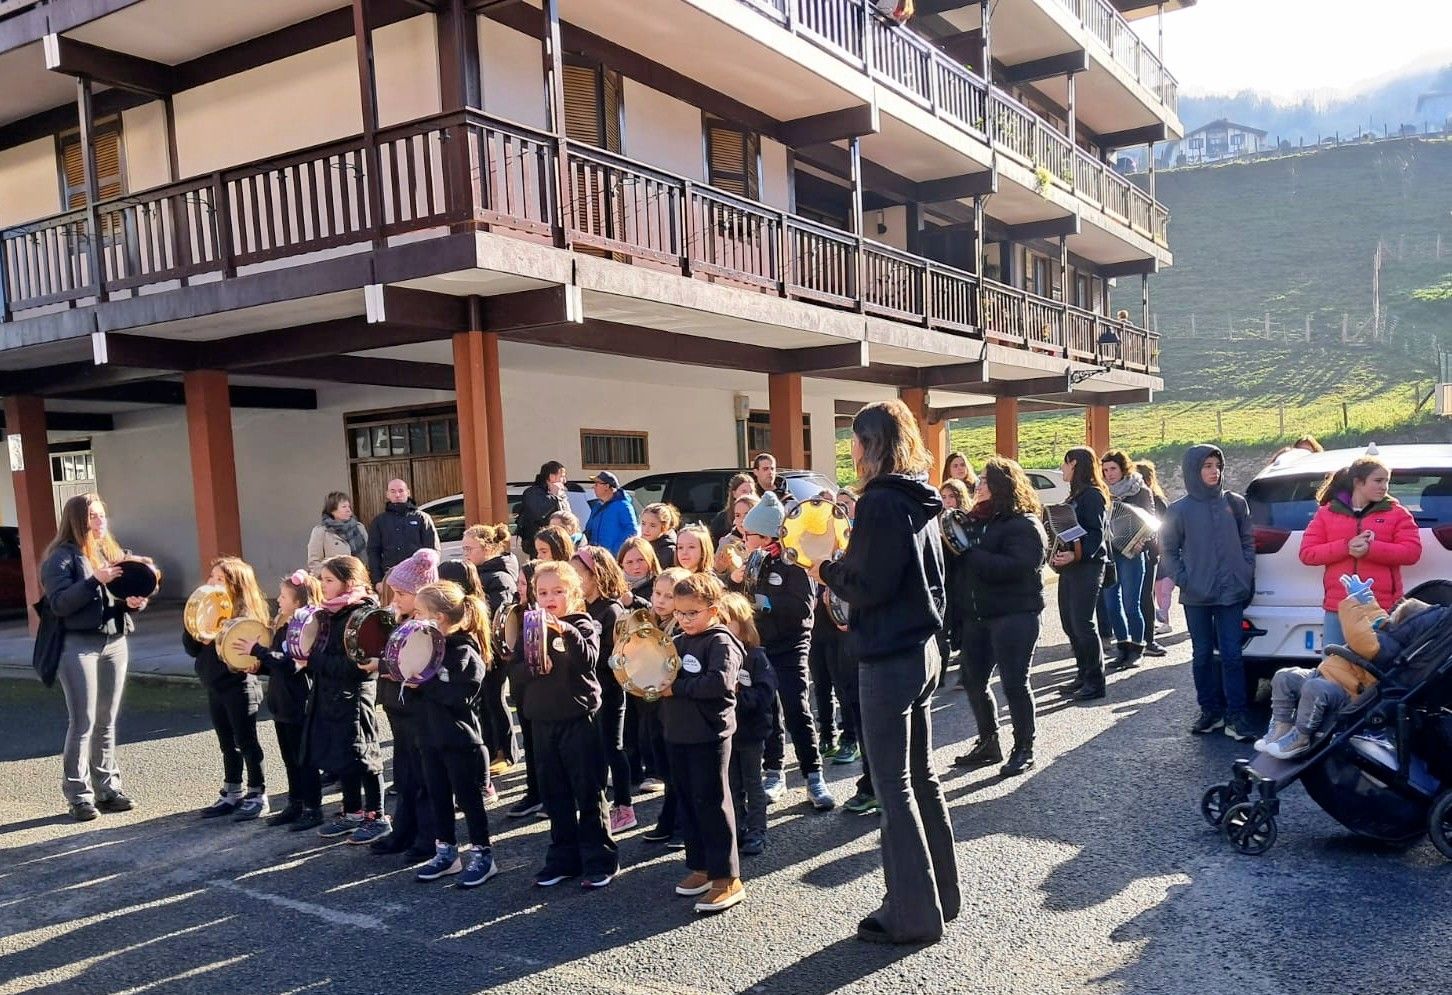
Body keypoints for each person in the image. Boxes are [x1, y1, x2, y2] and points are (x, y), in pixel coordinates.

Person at [816, 399, 960, 945]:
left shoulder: (879, 502)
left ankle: (912, 914)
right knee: (921, 778)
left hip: (887, 656)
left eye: (854, 439)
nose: (850, 448)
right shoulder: (919, 497)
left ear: (869, 443)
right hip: (921, 650)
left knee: (893, 786)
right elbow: (927, 580)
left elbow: (867, 584)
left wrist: (824, 567)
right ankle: (939, 896)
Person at [508, 561, 617, 889]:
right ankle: (563, 858)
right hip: (543, 719)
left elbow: (588, 661)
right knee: (555, 792)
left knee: (588, 789)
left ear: (573, 594)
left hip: (578, 717)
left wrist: (564, 631)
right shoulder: (530, 626)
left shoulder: (583, 623)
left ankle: (599, 858)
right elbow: (515, 673)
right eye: (542, 592)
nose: (549, 597)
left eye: (558, 591)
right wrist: (532, 669)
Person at [41, 493, 149, 821]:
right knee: (83, 721)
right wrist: (94, 580)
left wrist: (134, 601)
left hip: (115, 641)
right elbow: (59, 604)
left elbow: (129, 589)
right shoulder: (60, 558)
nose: (101, 522)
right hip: (78, 645)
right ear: (78, 521)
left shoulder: (110, 551)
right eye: (94, 517)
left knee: (106, 720)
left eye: (103, 515)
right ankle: (78, 795)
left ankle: (108, 788)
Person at [1259, 595, 1448, 758]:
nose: (1390, 615)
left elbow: (1360, 638)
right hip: (1323, 674)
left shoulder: (1387, 646)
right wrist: (1368, 601)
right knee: (1283, 676)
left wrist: (1351, 604)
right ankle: (1281, 726)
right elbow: (1378, 620)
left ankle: (1300, 736)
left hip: (1345, 690)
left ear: (1403, 623)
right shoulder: (1387, 635)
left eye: (1394, 614)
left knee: (1314, 689)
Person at [951, 458, 1046, 777]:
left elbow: (1020, 567)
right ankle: (989, 742)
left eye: (984, 483)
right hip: (978, 616)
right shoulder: (972, 521)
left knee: (1015, 683)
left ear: (1003, 487)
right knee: (972, 680)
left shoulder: (1023, 523)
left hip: (1015, 614)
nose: (977, 486)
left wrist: (970, 554)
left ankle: (1024, 747)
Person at [743, 492, 834, 811]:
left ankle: (813, 775)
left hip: (792, 644)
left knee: (796, 706)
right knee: (766, 709)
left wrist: (763, 604)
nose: (744, 537)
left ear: (766, 535)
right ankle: (774, 771)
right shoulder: (754, 559)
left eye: (749, 533)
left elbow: (801, 607)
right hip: (761, 644)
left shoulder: (794, 558)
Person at [1160, 445, 1257, 741]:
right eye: (1206, 466)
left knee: (1231, 656)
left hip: (1231, 593)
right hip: (1196, 595)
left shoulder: (1236, 503)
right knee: (1202, 655)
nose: (1214, 471)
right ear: (1193, 471)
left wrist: (1244, 569)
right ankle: (1210, 711)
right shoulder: (1179, 510)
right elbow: (1168, 550)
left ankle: (1236, 716)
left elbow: (1247, 540)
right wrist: (1184, 580)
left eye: (1217, 465)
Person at [663, 572, 745, 914]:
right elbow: (663, 674)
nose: (683, 619)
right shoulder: (679, 640)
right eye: (679, 613)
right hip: (678, 733)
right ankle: (702, 867)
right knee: (688, 802)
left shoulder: (721, 642)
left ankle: (728, 878)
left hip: (709, 735)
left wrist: (677, 688)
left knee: (712, 802)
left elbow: (718, 684)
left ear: (713, 610)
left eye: (691, 613)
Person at [411, 581, 500, 888]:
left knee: (469, 798)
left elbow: (459, 696)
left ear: (440, 618)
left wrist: (423, 683)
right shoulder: (426, 647)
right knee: (438, 796)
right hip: (430, 737)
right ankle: (447, 851)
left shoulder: (463, 650)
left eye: (420, 613)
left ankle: (482, 854)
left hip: (460, 740)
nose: (414, 619)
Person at [309, 556, 392, 843]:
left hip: (354, 697)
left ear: (350, 582)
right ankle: (353, 810)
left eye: (329, 580)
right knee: (343, 755)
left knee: (364, 755)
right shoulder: (330, 613)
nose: (323, 585)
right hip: (331, 695)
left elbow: (355, 665)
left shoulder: (364, 613)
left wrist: (315, 660)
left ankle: (377, 815)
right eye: (322, 580)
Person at [1298, 455, 1421, 648]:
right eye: (1378, 481)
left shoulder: (1397, 513)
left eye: (1387, 481)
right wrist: (1345, 547)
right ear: (1358, 482)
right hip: (1338, 607)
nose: (1384, 487)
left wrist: (1371, 549)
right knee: (1333, 667)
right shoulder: (1327, 513)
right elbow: (1308, 553)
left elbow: (1411, 552)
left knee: (1379, 669)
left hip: (1382, 607)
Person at [188, 557, 273, 821]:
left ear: (236, 585)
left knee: (246, 741)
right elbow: (192, 650)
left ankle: (258, 793)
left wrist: (220, 635)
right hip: (215, 686)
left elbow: (243, 657)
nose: (212, 583)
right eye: (211, 577)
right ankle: (232, 791)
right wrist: (193, 629)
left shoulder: (245, 618)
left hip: (239, 687)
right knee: (227, 743)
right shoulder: (209, 610)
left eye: (220, 579)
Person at [238, 569, 322, 829]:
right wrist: (259, 665)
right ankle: (294, 803)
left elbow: (291, 665)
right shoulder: (282, 627)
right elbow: (276, 664)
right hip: (281, 703)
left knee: (303, 759)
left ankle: (312, 808)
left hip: (298, 704)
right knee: (288, 758)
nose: (279, 600)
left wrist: (258, 650)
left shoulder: (304, 630)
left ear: (298, 602)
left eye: (285, 596)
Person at [371, 550, 441, 858]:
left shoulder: (426, 628)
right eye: (394, 592)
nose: (395, 598)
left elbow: (412, 666)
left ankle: (427, 838)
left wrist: (381, 665)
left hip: (418, 710)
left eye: (402, 593)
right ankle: (403, 831)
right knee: (404, 775)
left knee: (424, 776)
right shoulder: (398, 620)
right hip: (396, 707)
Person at [570, 544, 638, 834]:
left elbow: (616, 655)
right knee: (593, 751)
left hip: (609, 691)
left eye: (577, 574)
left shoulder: (611, 609)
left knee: (613, 747)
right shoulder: (581, 608)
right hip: (588, 693)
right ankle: (599, 805)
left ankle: (625, 806)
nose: (572, 581)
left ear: (595, 574)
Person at [717, 592, 776, 856]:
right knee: (731, 783)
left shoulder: (756, 657)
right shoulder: (717, 654)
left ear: (742, 624)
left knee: (753, 782)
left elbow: (766, 694)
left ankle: (757, 830)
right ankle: (737, 827)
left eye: (726, 621)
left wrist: (739, 696)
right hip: (727, 733)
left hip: (751, 732)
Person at [1051, 448, 1111, 703]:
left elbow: (1095, 536)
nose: (1062, 469)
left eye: (1064, 464)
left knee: (1083, 624)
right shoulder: (1075, 495)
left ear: (1074, 463)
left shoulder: (1092, 496)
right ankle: (1082, 674)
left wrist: (1075, 556)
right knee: (1069, 622)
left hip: (1087, 566)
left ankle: (1095, 681)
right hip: (1071, 567)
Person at [462, 524, 520, 773]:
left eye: (469, 548)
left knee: (495, 698)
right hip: (481, 645)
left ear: (487, 548)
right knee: (485, 698)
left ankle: (506, 752)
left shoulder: (499, 576)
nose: (464, 553)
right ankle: (492, 746)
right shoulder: (479, 572)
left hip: (494, 647)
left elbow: (500, 616)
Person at [639, 566, 691, 845]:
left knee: (680, 769)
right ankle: (669, 818)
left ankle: (683, 824)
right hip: (654, 705)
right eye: (657, 593)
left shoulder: (682, 629)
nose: (660, 600)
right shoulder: (651, 622)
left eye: (668, 596)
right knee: (665, 766)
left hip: (676, 706)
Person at [1099, 450, 1157, 673]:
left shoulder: (1139, 489)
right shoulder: (1103, 492)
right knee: (1112, 604)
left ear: (1123, 468)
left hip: (1132, 553)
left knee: (1132, 604)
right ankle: (1122, 647)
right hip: (1111, 553)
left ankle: (1137, 648)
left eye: (1113, 468)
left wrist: (1142, 540)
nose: (1109, 474)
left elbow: (1152, 521)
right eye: (1105, 470)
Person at [366, 479, 439, 584]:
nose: (397, 494)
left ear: (408, 493)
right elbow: (373, 552)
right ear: (387, 494)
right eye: (393, 491)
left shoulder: (422, 518)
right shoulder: (379, 521)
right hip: (390, 577)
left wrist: (428, 575)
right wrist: (377, 581)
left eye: (401, 490)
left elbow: (432, 550)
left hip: (418, 578)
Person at [1136, 459, 1172, 654]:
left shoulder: (1156, 500)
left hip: (1152, 553)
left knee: (1148, 595)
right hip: (1150, 552)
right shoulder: (1150, 497)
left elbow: (1164, 527)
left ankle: (1148, 637)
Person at [938, 477, 972, 667]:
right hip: (946, 579)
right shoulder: (937, 519)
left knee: (965, 624)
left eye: (951, 496)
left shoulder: (966, 518)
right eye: (943, 497)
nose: (947, 501)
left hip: (963, 578)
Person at [308, 492, 368, 575]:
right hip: (333, 580)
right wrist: (329, 577)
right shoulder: (321, 531)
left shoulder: (359, 527)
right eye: (344, 507)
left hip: (357, 578)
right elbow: (314, 562)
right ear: (332, 510)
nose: (348, 510)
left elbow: (369, 553)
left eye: (349, 506)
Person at [583, 471, 640, 556]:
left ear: (607, 486)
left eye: (597, 484)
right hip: (596, 556)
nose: (593, 487)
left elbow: (631, 531)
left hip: (612, 558)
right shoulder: (597, 506)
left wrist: (615, 551)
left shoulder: (623, 506)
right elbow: (589, 530)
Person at [518, 461, 572, 549]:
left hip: (559, 543)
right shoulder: (532, 493)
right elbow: (540, 513)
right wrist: (555, 496)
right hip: (538, 545)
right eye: (562, 476)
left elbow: (567, 516)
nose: (565, 480)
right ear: (551, 477)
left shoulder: (560, 494)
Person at [710, 473, 757, 545]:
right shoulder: (721, 519)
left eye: (751, 492)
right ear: (734, 494)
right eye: (744, 491)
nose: (748, 495)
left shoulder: (759, 516)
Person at [618, 536, 662, 601]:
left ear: (650, 560)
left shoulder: (660, 587)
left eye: (641, 560)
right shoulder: (614, 588)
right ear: (621, 564)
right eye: (629, 562)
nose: (636, 566)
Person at [641, 503, 679, 569]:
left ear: (664, 527)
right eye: (643, 523)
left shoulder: (668, 551)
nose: (646, 529)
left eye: (652, 525)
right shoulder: (642, 544)